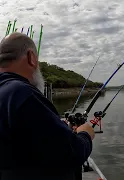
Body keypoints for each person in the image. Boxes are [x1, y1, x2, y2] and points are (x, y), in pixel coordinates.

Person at [0, 32, 95, 180]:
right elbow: (71, 154)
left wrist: (57, 125)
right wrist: (85, 134)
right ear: (32, 57)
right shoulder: (22, 93)